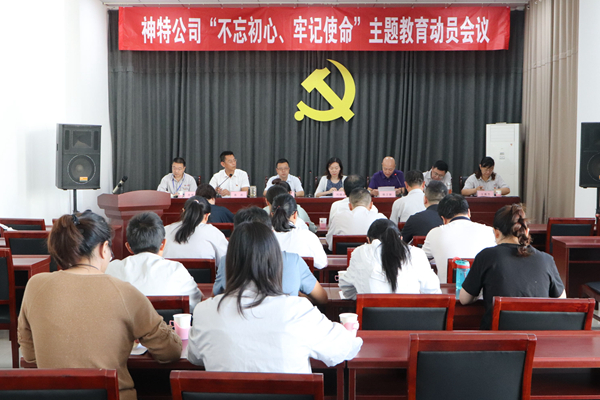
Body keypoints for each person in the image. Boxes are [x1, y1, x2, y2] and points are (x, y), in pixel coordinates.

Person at [18, 211, 181, 400]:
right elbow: (170, 352)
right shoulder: (125, 292)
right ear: (104, 249)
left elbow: (30, 356)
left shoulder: (35, 286)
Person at [187, 221, 362, 372]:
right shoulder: (298, 310)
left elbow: (194, 357)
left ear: (229, 262)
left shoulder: (205, 312)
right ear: (276, 261)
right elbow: (344, 348)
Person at [460, 204, 566, 329]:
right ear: (526, 231)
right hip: (538, 336)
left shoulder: (486, 257)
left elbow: (464, 299)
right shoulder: (546, 259)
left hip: (497, 337)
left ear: (496, 233)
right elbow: (562, 299)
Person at [212, 206, 328, 305]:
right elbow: (322, 298)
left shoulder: (226, 261)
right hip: (285, 321)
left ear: (235, 234)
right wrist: (297, 298)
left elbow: (215, 298)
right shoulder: (293, 261)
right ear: (272, 233)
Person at [106, 212, 203, 313]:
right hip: (168, 323)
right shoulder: (177, 270)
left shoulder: (112, 268)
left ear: (128, 247)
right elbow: (195, 303)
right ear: (163, 244)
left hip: (124, 324)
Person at [339, 219, 441, 300]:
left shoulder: (360, 252)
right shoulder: (417, 253)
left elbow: (347, 290)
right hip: (412, 319)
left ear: (368, 240)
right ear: (401, 239)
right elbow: (433, 291)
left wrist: (362, 294)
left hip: (372, 320)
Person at [422, 194, 496, 283]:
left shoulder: (434, 233)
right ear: (469, 212)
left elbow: (421, 258)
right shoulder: (489, 231)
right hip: (482, 290)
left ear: (443, 219)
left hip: (447, 290)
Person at [162, 196, 229, 270]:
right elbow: (227, 263)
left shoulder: (165, 230)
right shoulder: (214, 233)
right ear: (207, 215)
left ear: (184, 211)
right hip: (203, 278)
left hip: (170, 277)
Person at [271, 193, 328, 269]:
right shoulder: (307, 236)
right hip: (300, 277)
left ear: (272, 214)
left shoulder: (264, 238)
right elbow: (322, 263)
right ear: (295, 215)